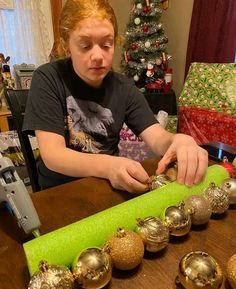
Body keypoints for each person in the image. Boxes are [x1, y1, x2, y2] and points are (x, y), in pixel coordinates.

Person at [23, 0, 208, 192]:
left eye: (106, 44)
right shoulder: (48, 78)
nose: (97, 56)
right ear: (66, 45)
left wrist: (178, 141)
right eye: (85, 46)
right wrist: (109, 165)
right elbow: (53, 155)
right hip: (61, 191)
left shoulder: (124, 87)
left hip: (107, 188)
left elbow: (158, 137)